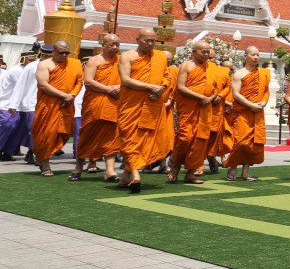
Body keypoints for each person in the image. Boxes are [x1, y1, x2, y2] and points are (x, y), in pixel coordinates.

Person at [117, 29, 171, 193]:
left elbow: (166, 77)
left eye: (153, 41)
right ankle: (136, 175)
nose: (150, 43)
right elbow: (126, 80)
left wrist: (160, 90)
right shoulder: (126, 56)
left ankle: (127, 175)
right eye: (146, 40)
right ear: (137, 39)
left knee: (145, 141)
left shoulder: (160, 57)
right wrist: (150, 87)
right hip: (131, 106)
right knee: (130, 139)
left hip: (152, 105)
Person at [71, 34, 122, 182]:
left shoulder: (121, 60)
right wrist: (109, 89)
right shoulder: (94, 61)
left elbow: (127, 78)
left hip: (114, 104)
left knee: (112, 136)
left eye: (117, 44)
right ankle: (79, 167)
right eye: (111, 44)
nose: (114, 47)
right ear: (103, 44)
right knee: (87, 135)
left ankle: (110, 170)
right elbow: (88, 82)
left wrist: (119, 86)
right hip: (95, 103)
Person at [32, 41, 83, 176]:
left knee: (64, 133)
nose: (65, 55)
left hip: (66, 104)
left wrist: (71, 96)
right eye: (61, 53)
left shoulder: (75, 63)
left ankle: (44, 157)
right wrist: (63, 95)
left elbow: (79, 81)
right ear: (53, 52)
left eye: (67, 52)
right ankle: (45, 163)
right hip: (48, 105)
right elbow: (43, 85)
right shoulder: (45, 65)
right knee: (46, 134)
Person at [169, 41, 215, 184]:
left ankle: (191, 173)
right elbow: (181, 87)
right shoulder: (186, 66)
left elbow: (216, 88)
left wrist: (209, 98)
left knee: (200, 141)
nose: (206, 55)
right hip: (189, 109)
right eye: (203, 52)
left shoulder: (212, 68)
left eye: (208, 52)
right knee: (185, 138)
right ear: (194, 52)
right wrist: (200, 97)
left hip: (205, 109)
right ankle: (175, 168)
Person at [225, 46, 271, 182]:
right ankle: (232, 168)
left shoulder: (263, 73)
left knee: (253, 143)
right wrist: (250, 105)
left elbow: (266, 91)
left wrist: (263, 103)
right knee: (240, 142)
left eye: (257, 54)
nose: (256, 57)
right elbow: (236, 94)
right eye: (253, 54)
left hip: (257, 112)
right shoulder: (239, 74)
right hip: (243, 113)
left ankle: (245, 172)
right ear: (245, 56)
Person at [9, 44, 49, 165]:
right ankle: (36, 154)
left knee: (46, 131)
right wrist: (14, 104)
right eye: (47, 54)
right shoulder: (31, 67)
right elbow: (21, 85)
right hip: (32, 103)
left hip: (49, 104)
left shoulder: (56, 66)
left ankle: (34, 153)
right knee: (34, 130)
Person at [204, 58, 234, 174]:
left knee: (222, 136)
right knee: (206, 135)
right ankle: (203, 162)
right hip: (211, 108)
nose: (228, 70)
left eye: (230, 69)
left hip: (226, 112)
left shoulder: (231, 79)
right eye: (226, 67)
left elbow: (231, 92)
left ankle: (218, 157)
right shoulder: (210, 72)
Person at [0, 48, 31, 160]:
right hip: (8, 103)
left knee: (18, 129)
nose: (31, 62)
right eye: (29, 60)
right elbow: (23, 87)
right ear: (23, 59)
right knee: (10, 125)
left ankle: (8, 152)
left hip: (22, 105)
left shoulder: (29, 68)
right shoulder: (16, 70)